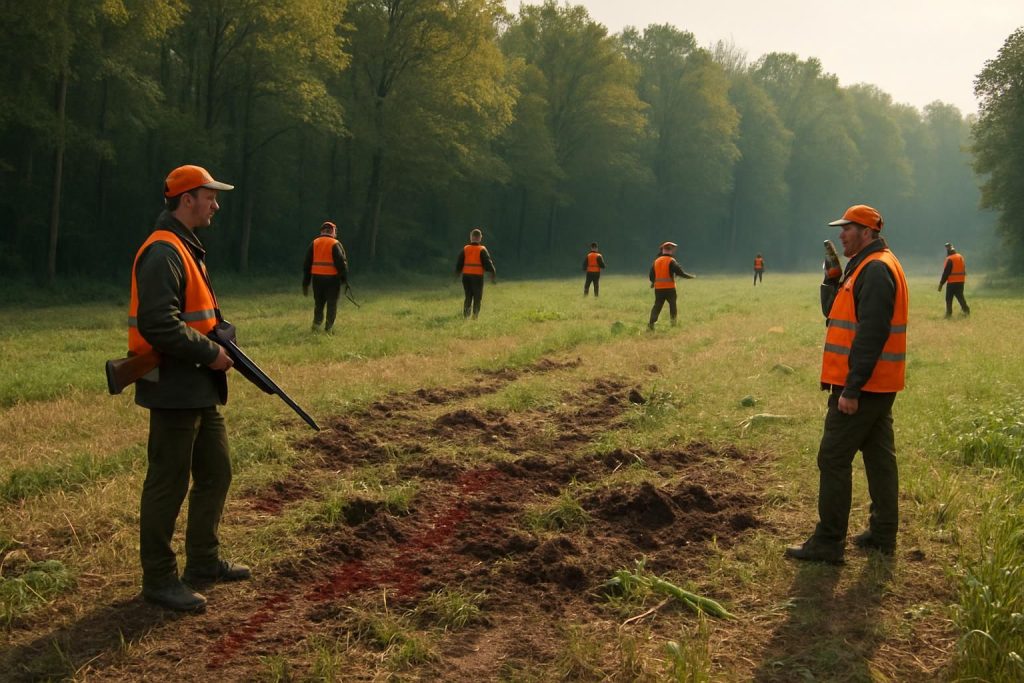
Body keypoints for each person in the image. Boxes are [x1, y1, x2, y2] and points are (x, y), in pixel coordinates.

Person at [128, 164, 251, 612]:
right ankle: (159, 580)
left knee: (216, 472)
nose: (215, 204)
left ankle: (203, 561)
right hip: (175, 387)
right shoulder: (163, 252)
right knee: (168, 483)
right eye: (209, 196)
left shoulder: (185, 246)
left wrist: (222, 337)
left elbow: (194, 316)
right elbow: (159, 324)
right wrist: (210, 353)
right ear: (187, 201)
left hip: (197, 386)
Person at [786, 204, 908, 564]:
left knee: (833, 458)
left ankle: (828, 542)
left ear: (867, 232)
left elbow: (871, 334)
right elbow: (835, 314)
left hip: (863, 386)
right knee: (879, 459)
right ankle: (883, 534)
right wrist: (831, 279)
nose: (841, 235)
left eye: (848, 229)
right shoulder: (868, 266)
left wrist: (852, 389)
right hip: (878, 384)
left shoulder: (875, 270)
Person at [302, 221, 349, 333]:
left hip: (317, 279)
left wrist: (306, 282)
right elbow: (341, 264)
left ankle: (316, 325)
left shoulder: (314, 243)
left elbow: (307, 264)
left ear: (322, 231)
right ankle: (328, 329)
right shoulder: (335, 243)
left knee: (319, 303)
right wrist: (344, 279)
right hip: (332, 280)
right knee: (332, 304)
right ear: (333, 231)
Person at [648, 241, 695, 330]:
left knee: (657, 306)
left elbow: (651, 276)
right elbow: (680, 272)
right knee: (672, 306)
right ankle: (673, 325)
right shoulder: (671, 261)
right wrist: (690, 277)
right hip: (670, 289)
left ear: (663, 250)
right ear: (671, 251)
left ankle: (651, 325)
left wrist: (653, 282)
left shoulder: (656, 261)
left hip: (658, 289)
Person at [455, 227, 496, 319]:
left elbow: (459, 262)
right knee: (477, 297)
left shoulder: (465, 249)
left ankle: (466, 316)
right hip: (477, 276)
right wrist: (492, 272)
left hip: (466, 276)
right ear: (480, 237)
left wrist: (457, 272)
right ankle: (475, 316)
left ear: (471, 237)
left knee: (468, 296)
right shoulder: (482, 249)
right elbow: (487, 262)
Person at [938, 242, 970, 319]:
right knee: (960, 296)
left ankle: (949, 313)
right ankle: (966, 310)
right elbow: (963, 268)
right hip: (961, 281)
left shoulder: (950, 259)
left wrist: (941, 284)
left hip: (952, 282)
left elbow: (946, 273)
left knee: (948, 298)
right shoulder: (960, 257)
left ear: (948, 251)